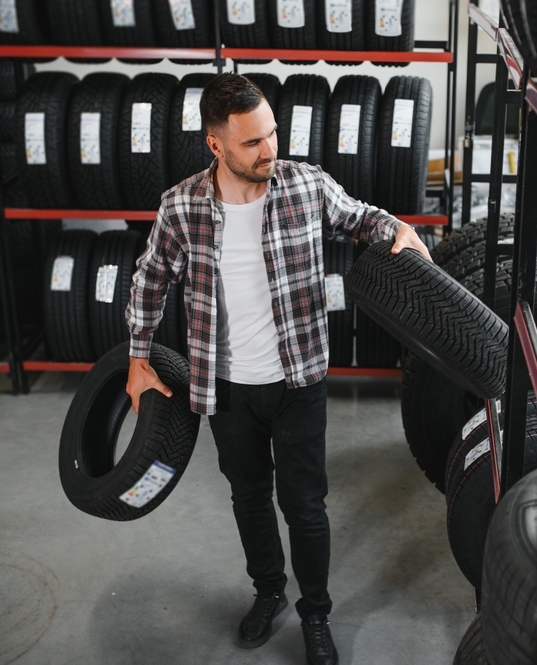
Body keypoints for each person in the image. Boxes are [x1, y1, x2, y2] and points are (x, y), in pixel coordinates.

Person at [124, 72, 431, 665]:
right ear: (216, 146)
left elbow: (362, 219)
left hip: (298, 382)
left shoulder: (304, 186)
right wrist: (139, 358)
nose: (270, 150)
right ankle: (269, 591)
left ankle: (316, 614)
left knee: (305, 504)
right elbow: (149, 280)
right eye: (252, 143)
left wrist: (397, 229)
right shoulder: (182, 207)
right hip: (226, 388)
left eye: (272, 134)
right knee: (248, 497)